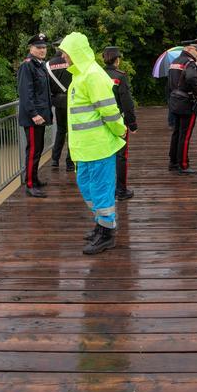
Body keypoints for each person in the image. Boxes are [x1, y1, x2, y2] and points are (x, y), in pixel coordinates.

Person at [58, 32, 127, 255]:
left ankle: (107, 234)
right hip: (84, 149)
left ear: (76, 52)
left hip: (98, 147)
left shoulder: (93, 75)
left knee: (101, 190)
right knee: (88, 188)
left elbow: (109, 109)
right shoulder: (80, 74)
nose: (63, 57)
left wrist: (121, 130)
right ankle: (101, 225)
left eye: (65, 53)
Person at [17, 33, 53, 198]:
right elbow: (25, 93)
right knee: (32, 150)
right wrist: (34, 114)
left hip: (41, 116)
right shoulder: (28, 65)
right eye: (38, 47)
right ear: (30, 48)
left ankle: (34, 179)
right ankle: (30, 185)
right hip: (33, 118)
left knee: (38, 149)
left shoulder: (40, 65)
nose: (42, 50)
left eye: (44, 47)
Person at [103, 46, 139, 200]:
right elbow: (127, 102)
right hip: (118, 121)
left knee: (104, 155)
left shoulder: (97, 75)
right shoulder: (120, 76)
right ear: (117, 60)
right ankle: (121, 190)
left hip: (100, 121)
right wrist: (132, 124)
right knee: (121, 155)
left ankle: (106, 189)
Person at [167, 39, 197, 174]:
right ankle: (183, 164)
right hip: (186, 102)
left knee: (176, 133)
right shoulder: (190, 63)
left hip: (174, 100)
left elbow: (169, 82)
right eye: (196, 50)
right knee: (185, 135)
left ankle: (173, 162)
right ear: (189, 49)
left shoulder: (174, 62)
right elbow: (192, 79)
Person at [47, 41, 75, 172]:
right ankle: (70, 162)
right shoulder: (72, 61)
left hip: (58, 102)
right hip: (72, 100)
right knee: (72, 132)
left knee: (60, 130)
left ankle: (54, 160)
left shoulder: (48, 65)